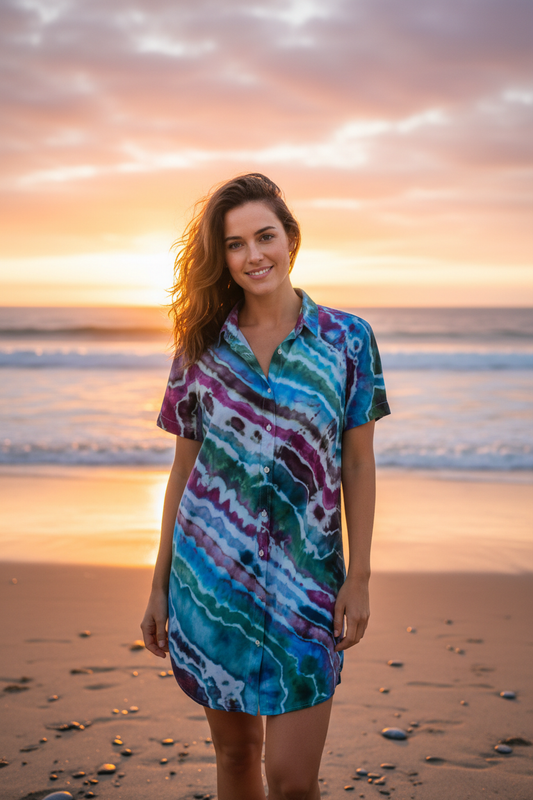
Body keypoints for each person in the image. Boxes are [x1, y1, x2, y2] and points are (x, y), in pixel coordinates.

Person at [141, 173, 391, 800]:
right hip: (209, 580)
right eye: (234, 244)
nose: (253, 255)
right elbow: (183, 471)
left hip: (306, 586)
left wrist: (358, 580)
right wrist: (157, 585)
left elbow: (357, 466)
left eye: (265, 236)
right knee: (233, 755)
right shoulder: (200, 347)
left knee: (292, 781)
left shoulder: (347, 340)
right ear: (220, 258)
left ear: (290, 240)